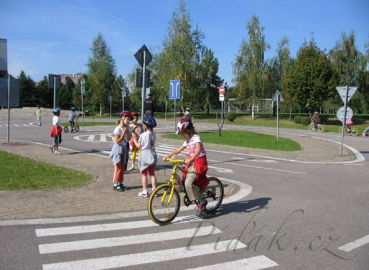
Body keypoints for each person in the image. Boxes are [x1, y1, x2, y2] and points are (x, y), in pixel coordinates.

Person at [163, 118, 209, 216]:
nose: (182, 135)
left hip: (199, 161)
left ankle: (201, 202)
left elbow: (198, 149)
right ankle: (183, 178)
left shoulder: (196, 138)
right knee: (176, 158)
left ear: (188, 130)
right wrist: (168, 156)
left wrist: (191, 158)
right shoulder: (188, 140)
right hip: (191, 160)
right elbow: (179, 149)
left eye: (182, 133)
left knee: (188, 183)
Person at [131, 116, 157, 197]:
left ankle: (145, 191)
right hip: (151, 154)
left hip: (144, 154)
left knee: (144, 174)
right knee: (152, 174)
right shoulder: (153, 134)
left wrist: (134, 139)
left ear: (145, 126)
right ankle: (154, 190)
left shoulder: (144, 134)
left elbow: (139, 146)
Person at [109, 111, 132, 191]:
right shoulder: (118, 129)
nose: (129, 121)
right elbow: (117, 141)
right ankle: (115, 184)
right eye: (127, 119)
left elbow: (129, 139)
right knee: (118, 167)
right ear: (122, 118)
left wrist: (128, 132)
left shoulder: (128, 128)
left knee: (122, 168)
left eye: (129, 119)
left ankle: (120, 183)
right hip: (118, 149)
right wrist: (123, 133)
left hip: (124, 148)